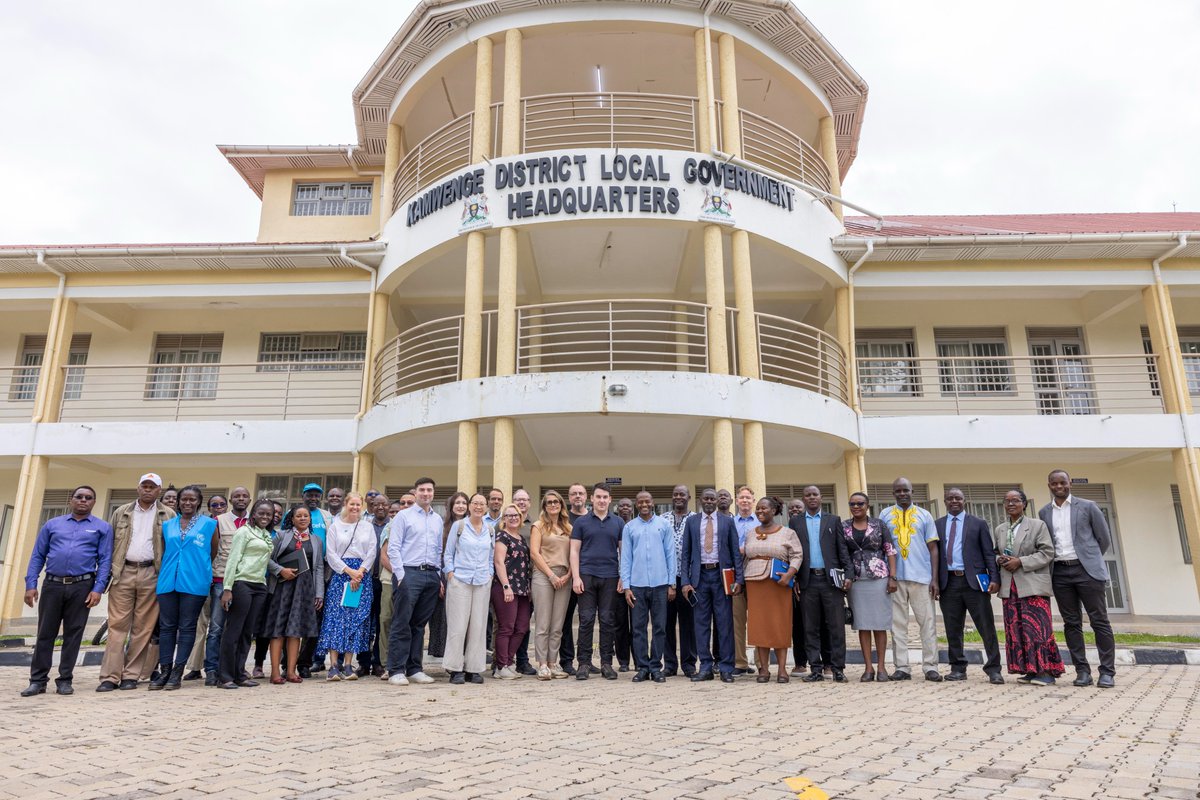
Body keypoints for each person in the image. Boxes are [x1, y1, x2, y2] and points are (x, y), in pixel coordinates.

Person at [20, 486, 113, 697]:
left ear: (94, 502)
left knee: (73, 634)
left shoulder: (102, 528)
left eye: (88, 498)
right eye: (79, 497)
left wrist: (98, 589)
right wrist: (31, 585)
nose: (83, 500)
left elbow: (105, 560)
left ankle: (65, 680)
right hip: (52, 585)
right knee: (45, 633)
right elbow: (38, 555)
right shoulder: (52, 525)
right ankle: (37, 681)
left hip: (82, 586)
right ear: (71, 500)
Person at [98, 473, 175, 693]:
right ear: (138, 488)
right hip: (123, 572)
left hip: (152, 573)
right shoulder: (122, 512)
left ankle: (130, 675)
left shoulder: (168, 514)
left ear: (159, 490)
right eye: (144, 485)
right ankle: (110, 677)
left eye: (152, 486)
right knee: (117, 626)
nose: (148, 489)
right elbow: (110, 544)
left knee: (143, 627)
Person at [1039, 469, 1116, 688]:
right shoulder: (1044, 512)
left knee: (1099, 621)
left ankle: (1107, 672)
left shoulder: (1088, 506)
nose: (1059, 486)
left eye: (1062, 482)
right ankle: (1082, 671)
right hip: (1060, 573)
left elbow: (1103, 539)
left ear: (1070, 483)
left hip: (1087, 571)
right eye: (1054, 483)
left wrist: (1089, 559)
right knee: (1071, 623)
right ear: (1049, 485)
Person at [151, 485, 218, 691]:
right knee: (167, 627)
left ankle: (177, 673)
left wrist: (197, 567)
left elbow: (213, 551)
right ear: (179, 501)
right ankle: (165, 671)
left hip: (195, 580)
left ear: (199, 502)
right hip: (168, 580)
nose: (187, 503)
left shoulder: (209, 524)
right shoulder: (168, 525)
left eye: (192, 499)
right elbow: (163, 550)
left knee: (188, 627)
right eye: (184, 499)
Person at [995, 489, 1064, 686]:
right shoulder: (1000, 529)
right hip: (1010, 586)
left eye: (1015, 500)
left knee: (1037, 628)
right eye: (1007, 501)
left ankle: (1046, 671)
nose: (1010, 504)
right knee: (1017, 629)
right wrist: (999, 559)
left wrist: (1021, 561)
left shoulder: (1037, 525)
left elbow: (1047, 552)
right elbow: (995, 551)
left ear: (1024, 504)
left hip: (1032, 584)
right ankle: (1029, 670)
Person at [936, 487, 1002, 684]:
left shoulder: (978, 523)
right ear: (945, 502)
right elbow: (933, 555)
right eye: (950, 498)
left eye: (958, 498)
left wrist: (994, 578)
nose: (954, 501)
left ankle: (994, 669)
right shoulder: (938, 525)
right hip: (948, 582)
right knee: (952, 628)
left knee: (986, 626)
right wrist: (935, 581)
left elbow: (988, 553)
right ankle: (958, 668)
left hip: (974, 582)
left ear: (964, 501)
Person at [184, 486, 249, 684]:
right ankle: (211, 668)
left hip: (244, 580)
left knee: (239, 629)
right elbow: (211, 549)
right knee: (216, 627)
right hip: (220, 580)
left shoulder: (253, 522)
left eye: (244, 496)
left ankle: (233, 668)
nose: (240, 498)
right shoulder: (218, 521)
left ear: (249, 500)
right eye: (236, 496)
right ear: (231, 500)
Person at [880, 477, 941, 682]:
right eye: (898, 491)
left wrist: (934, 579)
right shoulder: (885, 515)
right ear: (893, 493)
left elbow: (933, 548)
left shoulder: (925, 515)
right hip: (895, 579)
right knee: (898, 625)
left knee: (928, 624)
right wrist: (888, 576)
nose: (902, 494)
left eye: (905, 490)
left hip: (922, 578)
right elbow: (883, 547)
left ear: (912, 491)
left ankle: (931, 667)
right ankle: (902, 667)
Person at [680, 488, 742, 683]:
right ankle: (705, 667)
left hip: (721, 576)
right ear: (700, 500)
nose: (708, 501)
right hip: (699, 578)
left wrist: (739, 579)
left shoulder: (727, 521)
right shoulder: (691, 522)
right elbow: (685, 554)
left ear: (716, 501)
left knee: (724, 624)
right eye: (705, 498)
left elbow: (735, 551)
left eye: (712, 499)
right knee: (701, 625)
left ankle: (726, 668)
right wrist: (685, 581)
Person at [788, 485, 850, 683]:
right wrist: (794, 578)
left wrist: (848, 574)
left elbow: (842, 549)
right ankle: (815, 669)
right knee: (810, 627)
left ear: (821, 497)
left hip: (831, 581)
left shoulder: (833, 520)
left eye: (815, 494)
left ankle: (838, 669)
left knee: (836, 627)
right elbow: (792, 551)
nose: (812, 497)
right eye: (808, 495)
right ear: (804, 499)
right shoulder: (795, 522)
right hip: (807, 581)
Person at [387, 477, 444, 686]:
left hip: (431, 574)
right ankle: (396, 670)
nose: (426, 493)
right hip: (409, 573)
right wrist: (401, 575)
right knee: (401, 622)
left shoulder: (437, 519)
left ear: (433, 493)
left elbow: (438, 550)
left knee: (419, 625)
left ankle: (414, 669)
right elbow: (393, 548)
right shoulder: (403, 516)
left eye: (429, 490)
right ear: (416, 492)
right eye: (422, 490)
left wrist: (438, 576)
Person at [742, 497, 802, 683]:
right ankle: (764, 670)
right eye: (758, 509)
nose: (760, 511)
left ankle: (782, 670)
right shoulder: (750, 533)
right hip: (754, 583)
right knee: (759, 625)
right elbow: (745, 558)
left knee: (779, 624)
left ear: (774, 510)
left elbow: (797, 555)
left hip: (779, 582)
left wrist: (790, 574)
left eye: (764, 508)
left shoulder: (788, 533)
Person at [318, 492, 376, 681]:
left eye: (358, 505)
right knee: (336, 619)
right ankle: (334, 665)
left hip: (362, 575)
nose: (355, 508)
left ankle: (349, 665)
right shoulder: (335, 526)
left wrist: (360, 572)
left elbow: (372, 552)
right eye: (352, 504)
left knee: (355, 620)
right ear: (346, 504)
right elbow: (331, 554)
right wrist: (349, 572)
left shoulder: (367, 527)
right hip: (341, 575)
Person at [218, 499, 276, 689]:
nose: (265, 517)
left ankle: (240, 674)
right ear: (254, 514)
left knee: (247, 632)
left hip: (259, 585)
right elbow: (233, 559)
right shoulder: (243, 532)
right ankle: (225, 676)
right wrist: (227, 588)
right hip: (242, 583)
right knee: (234, 631)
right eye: (261, 513)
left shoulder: (265, 534)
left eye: (269, 514)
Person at [620, 491, 676, 683]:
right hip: (637, 585)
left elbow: (670, 555)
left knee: (660, 627)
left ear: (652, 503)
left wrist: (671, 584)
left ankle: (656, 667)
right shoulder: (629, 527)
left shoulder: (664, 525)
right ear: (636, 505)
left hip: (661, 585)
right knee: (638, 628)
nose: (644, 504)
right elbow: (626, 558)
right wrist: (626, 586)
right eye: (640, 502)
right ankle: (642, 667)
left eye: (647, 501)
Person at [570, 483, 624, 680]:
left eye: (605, 497)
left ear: (610, 500)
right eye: (598, 497)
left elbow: (623, 552)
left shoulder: (618, 522)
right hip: (586, 576)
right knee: (586, 620)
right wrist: (576, 577)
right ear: (592, 499)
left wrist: (623, 577)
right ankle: (583, 663)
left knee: (607, 620)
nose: (602, 500)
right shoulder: (581, 522)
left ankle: (606, 663)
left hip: (610, 577)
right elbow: (574, 551)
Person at [842, 492, 898, 682]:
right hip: (856, 581)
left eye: (860, 503)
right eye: (852, 504)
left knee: (880, 624)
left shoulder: (879, 525)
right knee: (863, 625)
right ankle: (868, 668)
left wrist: (893, 577)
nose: (856, 507)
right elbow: (842, 553)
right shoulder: (844, 526)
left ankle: (881, 667)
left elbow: (890, 550)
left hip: (879, 578)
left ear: (867, 505)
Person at [265, 506, 324, 684]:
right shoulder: (281, 536)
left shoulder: (316, 540)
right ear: (292, 518)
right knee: (278, 630)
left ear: (310, 519)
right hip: (283, 587)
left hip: (304, 589)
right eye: (299, 516)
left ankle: (291, 672)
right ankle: (275, 673)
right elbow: (267, 558)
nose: (303, 518)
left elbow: (319, 567)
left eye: (306, 516)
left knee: (295, 631)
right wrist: (280, 570)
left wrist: (319, 593)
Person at [443, 494, 494, 684]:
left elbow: (491, 557)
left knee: (478, 627)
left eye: (482, 504)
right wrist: (451, 574)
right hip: (460, 581)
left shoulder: (490, 529)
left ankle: (474, 669)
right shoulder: (460, 526)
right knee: (457, 627)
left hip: (482, 582)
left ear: (486, 507)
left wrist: (490, 574)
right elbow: (448, 554)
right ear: (470, 506)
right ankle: (455, 668)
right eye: (475, 503)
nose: (478, 507)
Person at [530, 490, 573, 680]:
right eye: (549, 502)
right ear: (544, 506)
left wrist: (569, 575)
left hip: (565, 576)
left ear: (561, 505)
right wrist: (551, 575)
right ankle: (542, 665)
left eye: (556, 502)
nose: (553, 505)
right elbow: (534, 553)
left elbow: (574, 554)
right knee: (543, 623)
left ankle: (553, 663)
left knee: (557, 624)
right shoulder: (538, 526)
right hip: (543, 575)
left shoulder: (569, 528)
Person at [298, 483, 335, 674]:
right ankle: (289, 662)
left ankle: (312, 660)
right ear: (303, 496)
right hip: (297, 570)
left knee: (316, 616)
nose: (313, 498)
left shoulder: (326, 516)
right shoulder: (295, 513)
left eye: (316, 495)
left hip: (322, 568)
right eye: (309, 495)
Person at [493, 504, 533, 680]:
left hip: (522, 588)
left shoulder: (521, 538)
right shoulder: (502, 536)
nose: (513, 518)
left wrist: (528, 587)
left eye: (516, 515)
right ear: (504, 519)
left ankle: (508, 663)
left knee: (522, 627)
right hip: (506, 587)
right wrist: (506, 586)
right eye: (509, 515)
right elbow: (499, 562)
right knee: (506, 627)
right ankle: (500, 667)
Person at [660, 485, 696, 678]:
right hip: (666, 578)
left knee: (688, 623)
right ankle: (670, 664)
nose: (678, 497)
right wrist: (668, 583)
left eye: (682, 494)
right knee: (666, 622)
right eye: (675, 494)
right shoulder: (662, 519)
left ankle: (689, 664)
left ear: (689, 497)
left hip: (689, 579)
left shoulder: (696, 519)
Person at [429, 491, 468, 660]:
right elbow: (437, 553)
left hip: (466, 576)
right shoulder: (442, 526)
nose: (460, 506)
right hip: (446, 576)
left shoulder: (472, 526)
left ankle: (461, 655)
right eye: (457, 503)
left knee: (463, 618)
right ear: (451, 506)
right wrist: (439, 579)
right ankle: (446, 655)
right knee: (444, 617)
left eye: (464, 503)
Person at [356, 494, 391, 678]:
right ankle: (363, 662)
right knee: (363, 621)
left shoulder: (394, 526)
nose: (380, 507)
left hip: (384, 581)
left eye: (384, 504)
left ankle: (378, 662)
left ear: (389, 506)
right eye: (377, 504)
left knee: (381, 622)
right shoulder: (364, 526)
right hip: (365, 580)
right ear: (371, 506)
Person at [559, 482, 589, 676]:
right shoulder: (562, 519)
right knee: (566, 620)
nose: (577, 496)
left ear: (586, 497)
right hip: (567, 577)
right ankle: (567, 660)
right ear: (569, 498)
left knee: (588, 620)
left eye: (581, 493)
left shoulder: (592, 518)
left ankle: (586, 661)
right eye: (574, 494)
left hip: (589, 577)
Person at [730, 486, 757, 675]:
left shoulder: (761, 522)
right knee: (737, 621)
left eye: (748, 497)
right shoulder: (730, 522)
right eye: (742, 497)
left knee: (758, 620)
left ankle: (761, 663)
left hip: (757, 575)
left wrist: (746, 550)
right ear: (737, 501)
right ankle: (740, 662)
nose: (745, 500)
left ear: (753, 501)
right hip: (735, 576)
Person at [510, 488, 537, 676]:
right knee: (506, 624)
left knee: (523, 624)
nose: (521, 502)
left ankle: (522, 660)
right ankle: (503, 661)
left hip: (529, 581)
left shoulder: (535, 526)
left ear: (529, 503)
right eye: (518, 499)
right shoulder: (504, 524)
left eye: (524, 499)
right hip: (508, 582)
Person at [612, 497, 636, 671]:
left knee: (636, 623)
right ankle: (623, 661)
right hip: (617, 582)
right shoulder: (613, 526)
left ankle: (639, 660)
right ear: (617, 508)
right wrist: (621, 576)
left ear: (632, 509)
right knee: (619, 623)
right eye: (622, 505)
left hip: (636, 582)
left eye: (628, 505)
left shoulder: (637, 526)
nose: (625, 508)